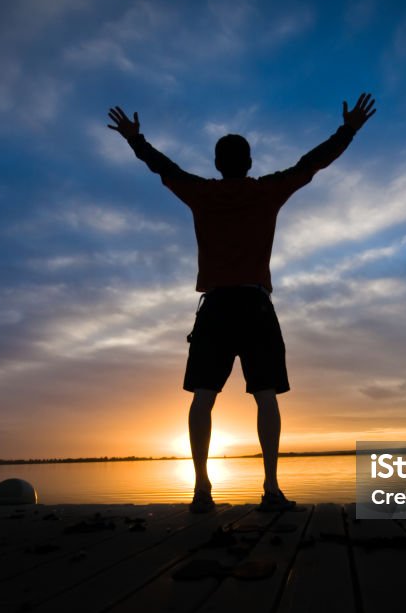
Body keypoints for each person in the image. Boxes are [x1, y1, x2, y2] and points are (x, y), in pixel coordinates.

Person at [107, 93, 376, 512]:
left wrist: (134, 139)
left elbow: (163, 166)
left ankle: (201, 492)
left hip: (215, 307)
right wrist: (348, 131)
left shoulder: (202, 193)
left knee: (203, 395)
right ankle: (270, 489)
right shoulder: (267, 191)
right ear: (248, 163)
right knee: (265, 394)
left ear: (218, 164)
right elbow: (311, 163)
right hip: (254, 305)